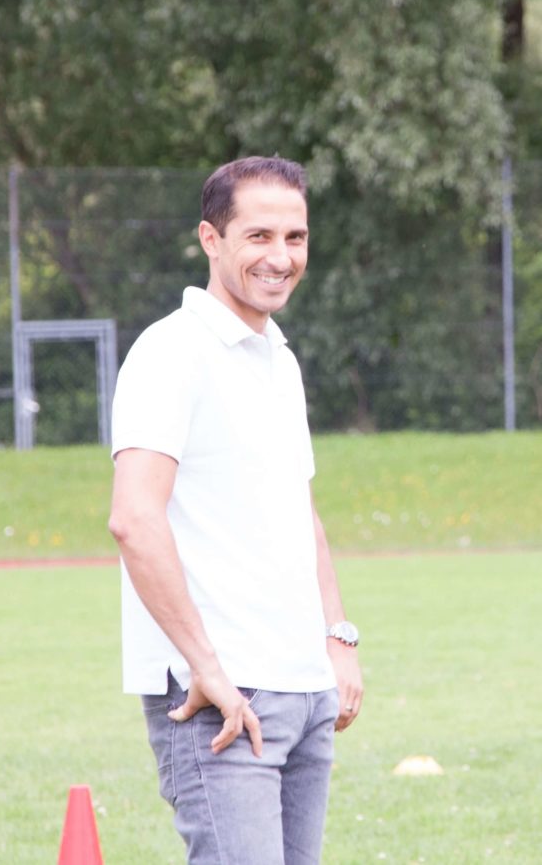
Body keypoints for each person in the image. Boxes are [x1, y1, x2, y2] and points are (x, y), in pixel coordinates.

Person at [108, 156, 363, 865]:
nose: (280, 258)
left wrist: (336, 637)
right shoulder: (170, 353)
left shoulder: (278, 357)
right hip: (222, 698)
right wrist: (206, 665)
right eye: (258, 236)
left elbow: (298, 510)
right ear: (211, 239)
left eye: (295, 237)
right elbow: (134, 517)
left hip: (304, 688)